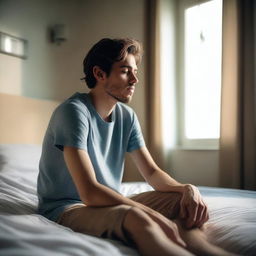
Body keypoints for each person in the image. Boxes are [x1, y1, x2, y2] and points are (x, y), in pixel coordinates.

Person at [37, 38, 235, 256]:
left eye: (135, 71)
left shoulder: (127, 116)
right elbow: (90, 192)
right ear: (100, 74)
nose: (135, 79)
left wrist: (186, 188)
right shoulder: (73, 112)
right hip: (69, 208)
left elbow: (151, 172)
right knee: (137, 217)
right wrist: (152, 214)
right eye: (125, 71)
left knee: (183, 203)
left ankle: (207, 251)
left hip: (106, 202)